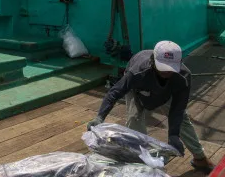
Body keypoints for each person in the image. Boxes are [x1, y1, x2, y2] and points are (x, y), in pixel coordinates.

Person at [87, 41, 214, 174]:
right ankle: (141, 163)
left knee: (182, 119)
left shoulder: (184, 77)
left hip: (166, 94)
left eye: (171, 67)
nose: (166, 71)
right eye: (162, 66)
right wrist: (99, 117)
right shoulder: (137, 71)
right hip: (138, 89)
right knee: (134, 120)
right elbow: (115, 92)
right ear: (153, 61)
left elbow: (178, 109)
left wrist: (173, 135)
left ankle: (200, 157)